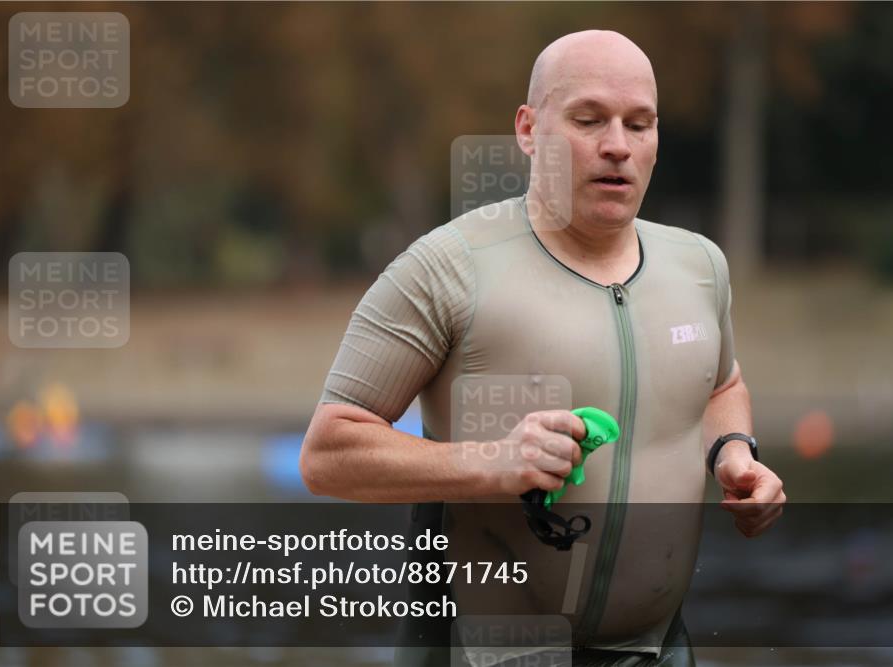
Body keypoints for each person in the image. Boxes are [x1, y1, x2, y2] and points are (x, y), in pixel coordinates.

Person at [301, 29, 786, 667]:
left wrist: (733, 454)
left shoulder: (698, 266)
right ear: (528, 130)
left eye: (639, 124)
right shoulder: (447, 267)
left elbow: (721, 385)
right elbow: (328, 452)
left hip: (657, 649)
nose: (617, 145)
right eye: (589, 120)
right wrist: (493, 463)